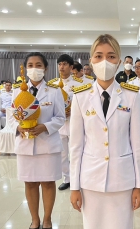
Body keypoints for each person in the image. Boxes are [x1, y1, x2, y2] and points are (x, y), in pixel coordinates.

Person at [70, 34, 140, 229]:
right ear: (90, 61)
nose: (105, 61)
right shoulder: (80, 97)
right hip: (90, 178)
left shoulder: (132, 97)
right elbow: (76, 146)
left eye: (111, 56)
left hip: (123, 178)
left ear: (119, 60)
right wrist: (74, 186)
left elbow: (138, 144)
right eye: (99, 56)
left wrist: (139, 185)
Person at [13, 52, 65, 229]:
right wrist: (18, 128)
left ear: (45, 68)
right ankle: (34, 219)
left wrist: (45, 127)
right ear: (25, 68)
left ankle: (47, 218)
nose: (34, 69)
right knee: (30, 184)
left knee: (48, 183)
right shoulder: (17, 91)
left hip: (47, 144)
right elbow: (11, 117)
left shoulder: (54, 91)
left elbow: (61, 117)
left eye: (38, 65)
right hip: (25, 145)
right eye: (30, 65)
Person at [48, 54, 83, 191]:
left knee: (76, 152)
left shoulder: (80, 84)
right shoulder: (52, 85)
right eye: (59, 64)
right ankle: (67, 178)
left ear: (71, 67)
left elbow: (84, 103)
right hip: (59, 124)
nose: (61, 67)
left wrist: (72, 110)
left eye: (64, 64)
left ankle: (78, 178)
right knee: (62, 154)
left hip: (75, 123)